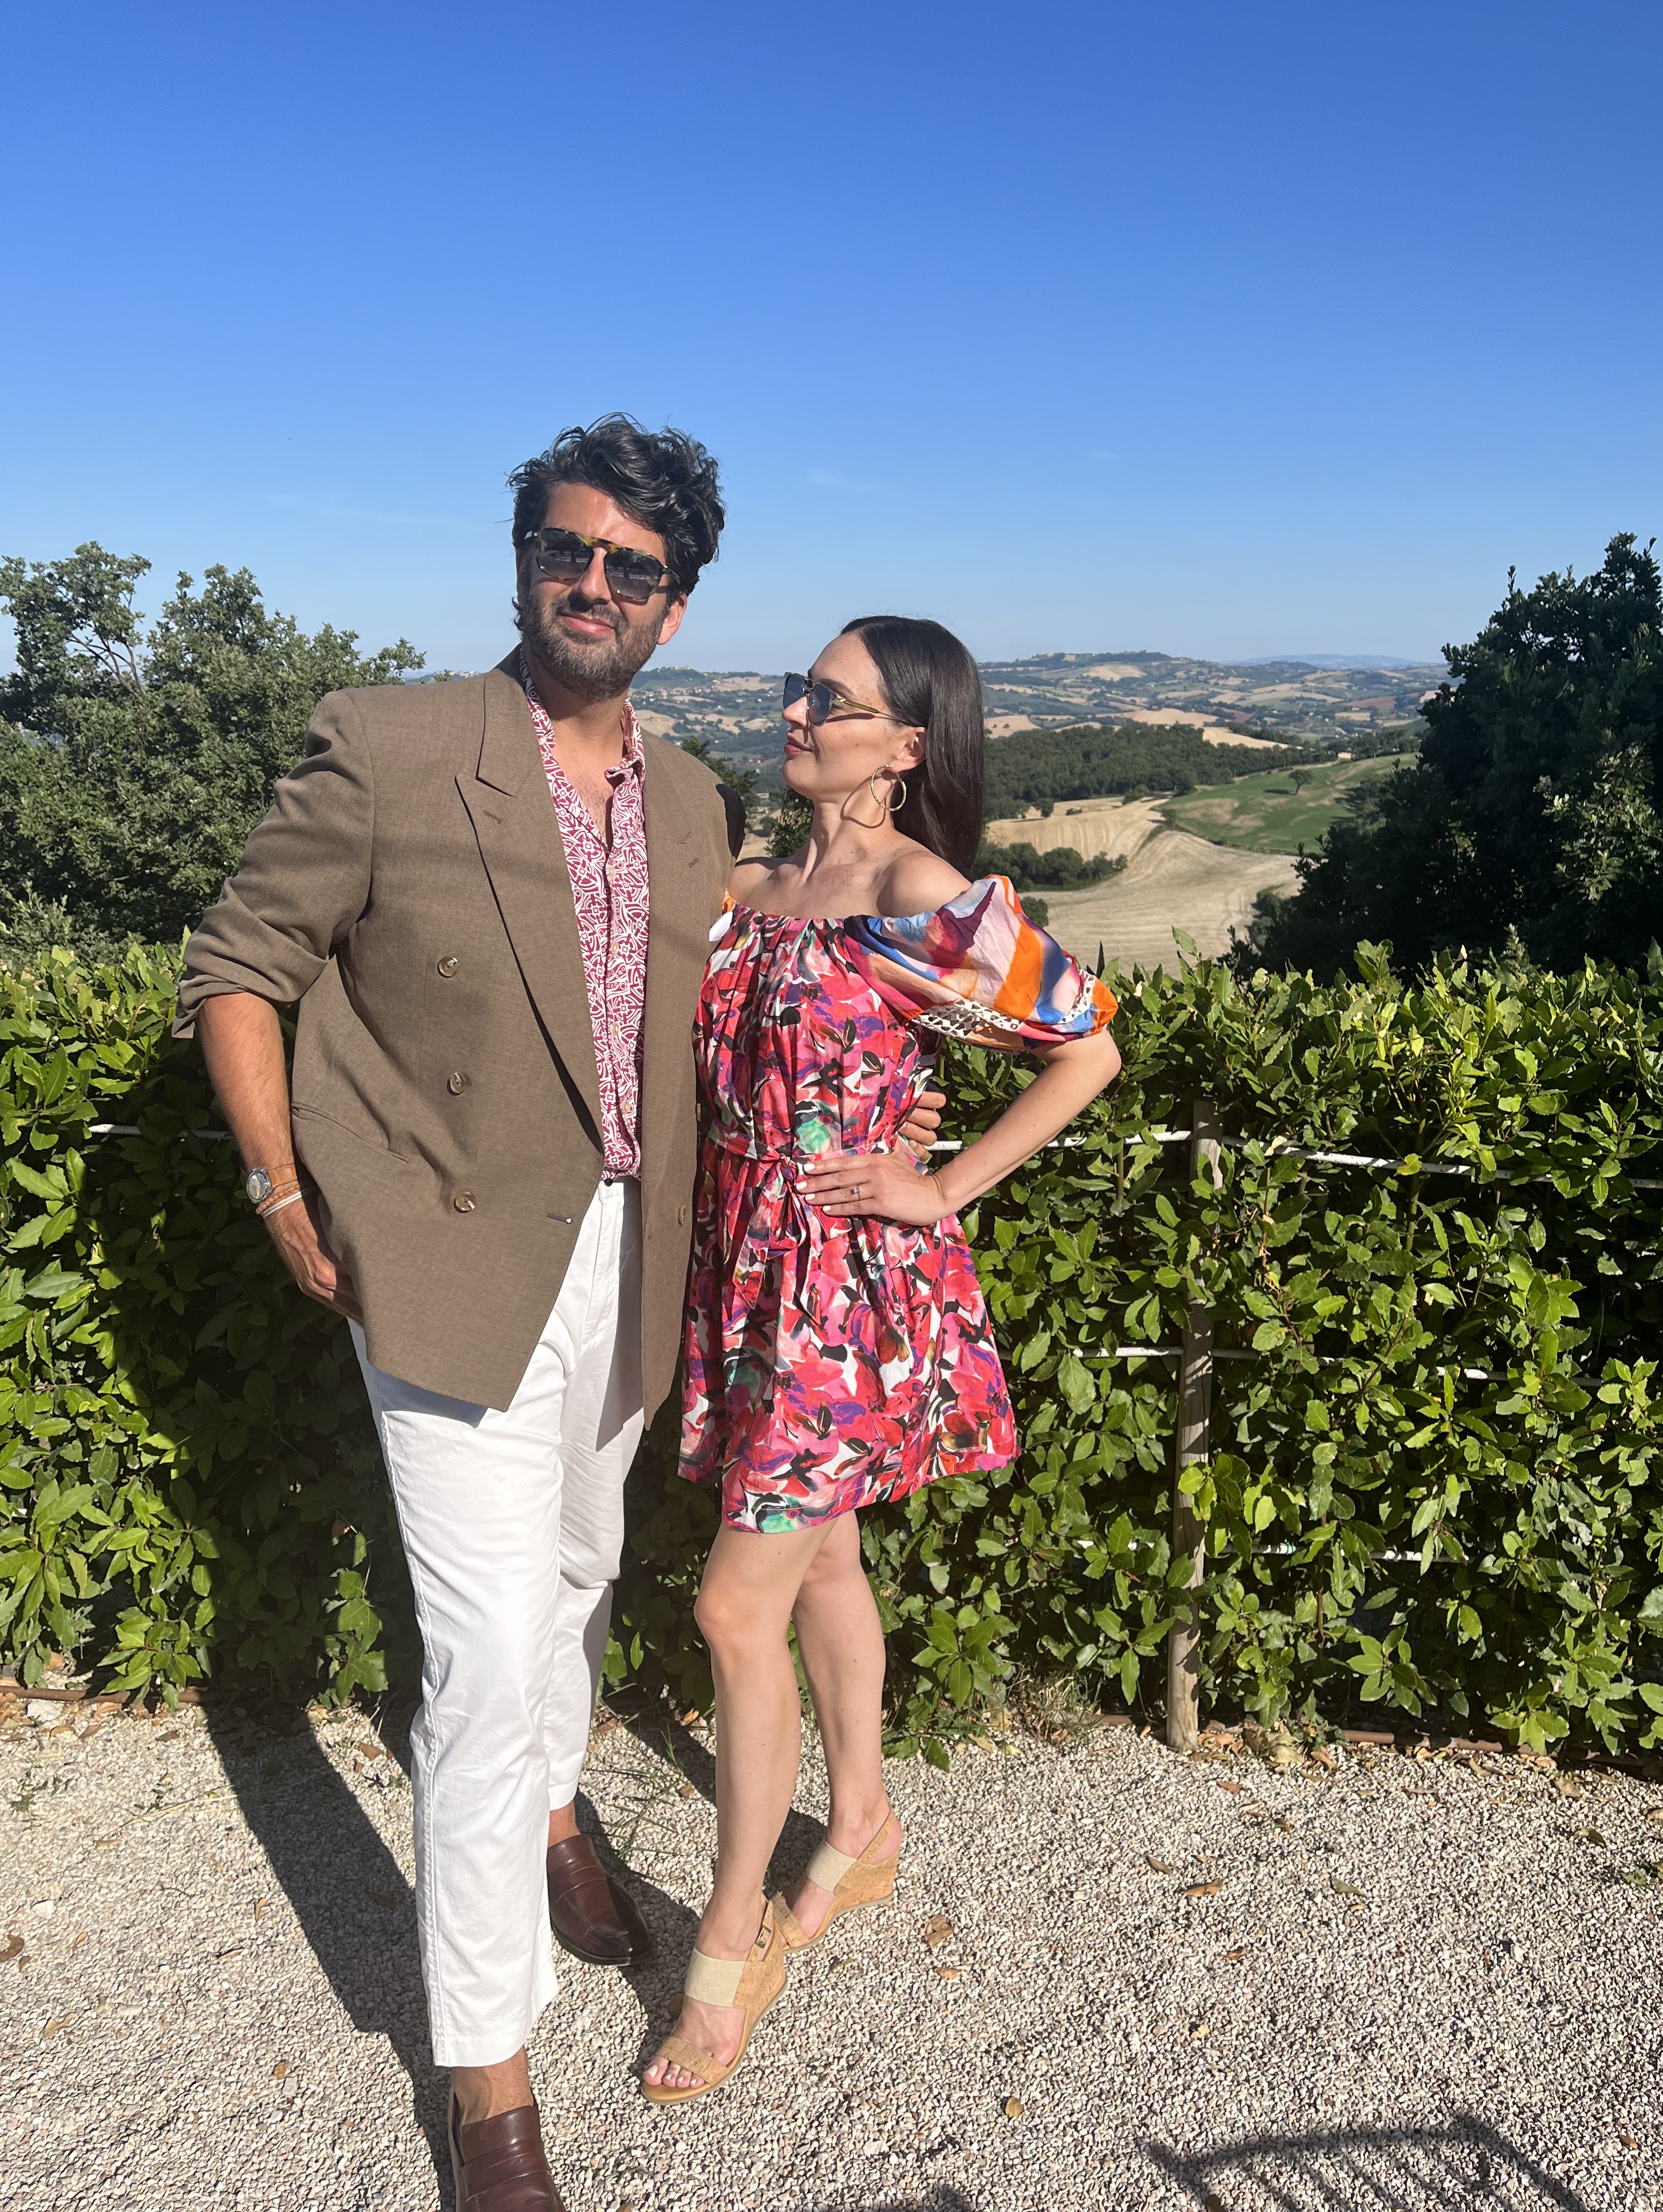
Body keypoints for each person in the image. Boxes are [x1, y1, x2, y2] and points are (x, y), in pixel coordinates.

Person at [175, 420, 943, 2212]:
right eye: (564, 548)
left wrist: (905, 1138)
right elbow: (239, 966)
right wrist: (285, 1193)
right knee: (479, 1661)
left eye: (631, 566)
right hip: (444, 1268)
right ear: (522, 558)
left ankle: (548, 1811)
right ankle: (489, 2084)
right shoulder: (392, 743)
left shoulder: (694, 805)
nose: (591, 583)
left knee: (583, 1575)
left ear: (676, 605)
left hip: (638, 1264)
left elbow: (787, 990)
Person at [641, 615, 1120, 2103]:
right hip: (742, 1265)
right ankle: (860, 1826)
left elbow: (1087, 1047)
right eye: (801, 690)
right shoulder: (750, 888)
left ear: (909, 744)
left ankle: (729, 1940)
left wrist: (942, 1181)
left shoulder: (921, 894)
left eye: (832, 702)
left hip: (842, 1294)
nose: (798, 713)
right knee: (825, 1560)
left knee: (734, 1606)